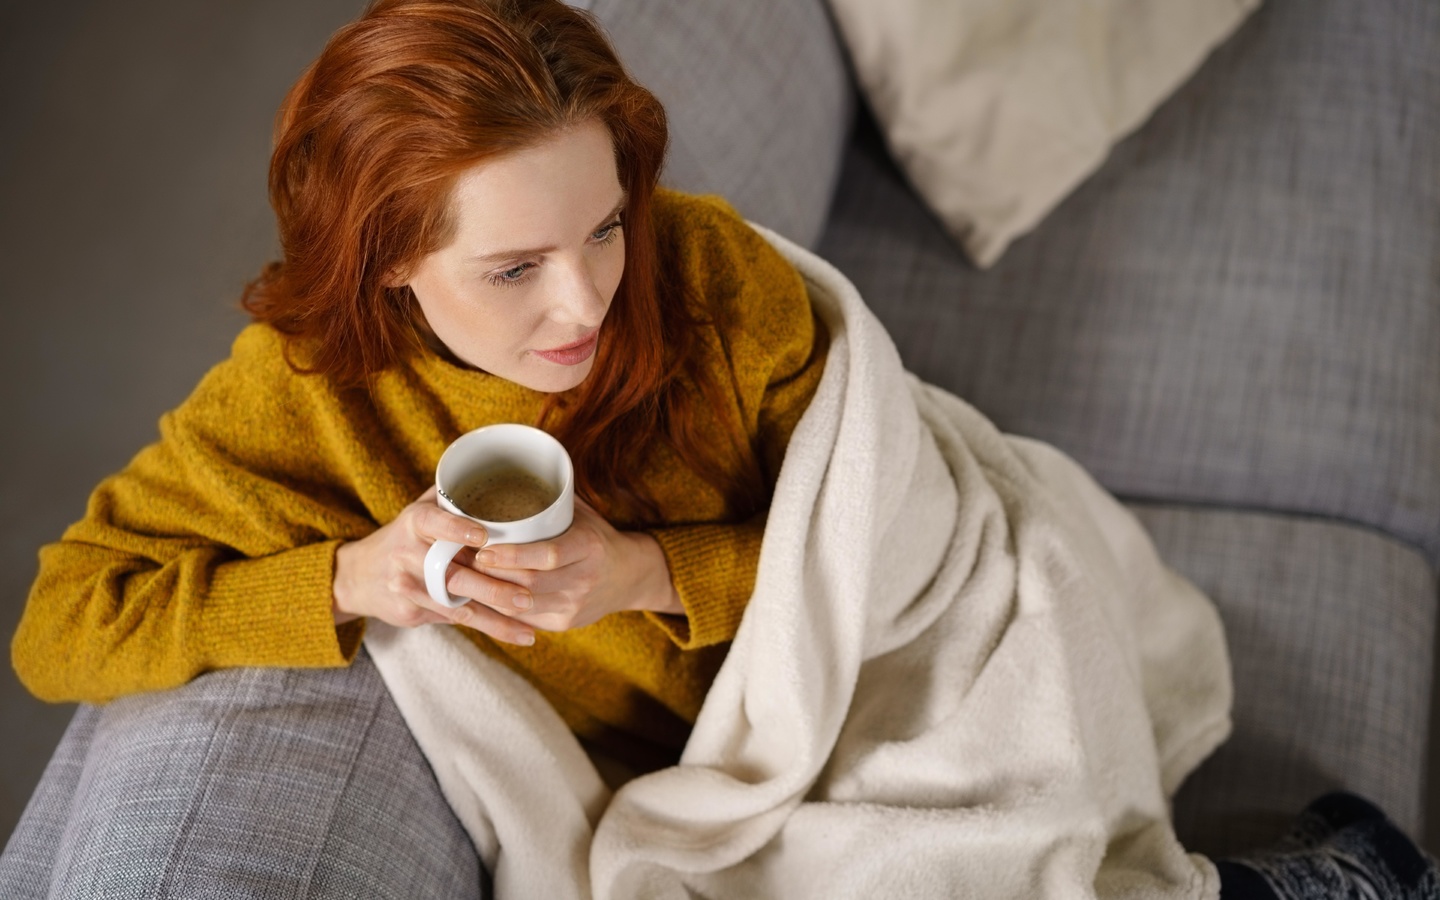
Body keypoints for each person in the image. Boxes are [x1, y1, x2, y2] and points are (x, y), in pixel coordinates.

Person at [2, 1, 1435, 898]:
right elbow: (62, 626)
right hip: (718, 761)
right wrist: (352, 580)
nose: (584, 304)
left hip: (895, 643)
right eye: (514, 270)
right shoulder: (303, 395)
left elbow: (880, 547)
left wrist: (637, 575)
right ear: (386, 267)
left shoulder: (708, 279)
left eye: (604, 226)